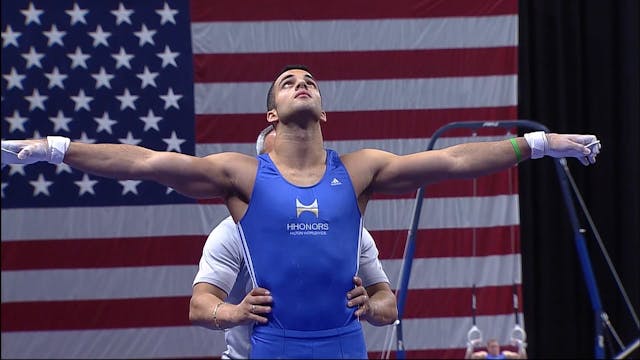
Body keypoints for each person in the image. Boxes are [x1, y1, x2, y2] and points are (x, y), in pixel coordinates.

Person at [0, 64, 601, 359]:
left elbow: (451, 162)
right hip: (273, 347)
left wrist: (540, 144)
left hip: (343, 344)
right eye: (288, 81)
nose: (302, 81)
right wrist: (58, 150)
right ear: (270, 114)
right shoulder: (238, 175)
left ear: (323, 110)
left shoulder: (359, 169)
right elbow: (145, 163)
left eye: (309, 79)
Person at [189, 125, 397, 359]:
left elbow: (388, 305)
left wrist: (370, 307)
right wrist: (235, 312)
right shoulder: (229, 234)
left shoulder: (347, 233)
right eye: (282, 163)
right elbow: (199, 306)